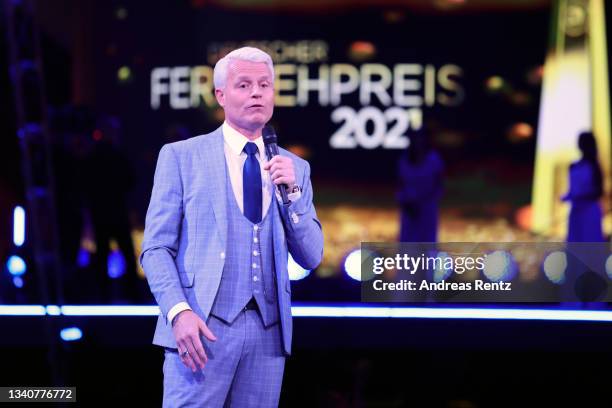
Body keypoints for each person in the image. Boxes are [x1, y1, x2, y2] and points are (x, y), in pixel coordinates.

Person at [140, 47, 323, 407]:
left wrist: (295, 196)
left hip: (269, 336)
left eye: (264, 85)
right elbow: (156, 249)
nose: (257, 93)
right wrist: (178, 312)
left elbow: (312, 255)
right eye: (244, 85)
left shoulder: (294, 167)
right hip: (201, 327)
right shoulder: (181, 157)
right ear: (221, 95)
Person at [396, 128, 444, 242]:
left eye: (421, 139)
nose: (418, 142)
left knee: (427, 243)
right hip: (409, 210)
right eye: (416, 139)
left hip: (427, 209)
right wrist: (406, 202)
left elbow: (438, 185)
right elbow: (400, 184)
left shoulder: (434, 160)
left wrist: (425, 201)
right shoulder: (404, 160)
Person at [562, 131, 605, 242]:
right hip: (576, 212)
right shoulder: (573, 166)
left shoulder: (595, 167)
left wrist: (581, 197)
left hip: (589, 212)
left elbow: (599, 192)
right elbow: (571, 189)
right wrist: (567, 196)